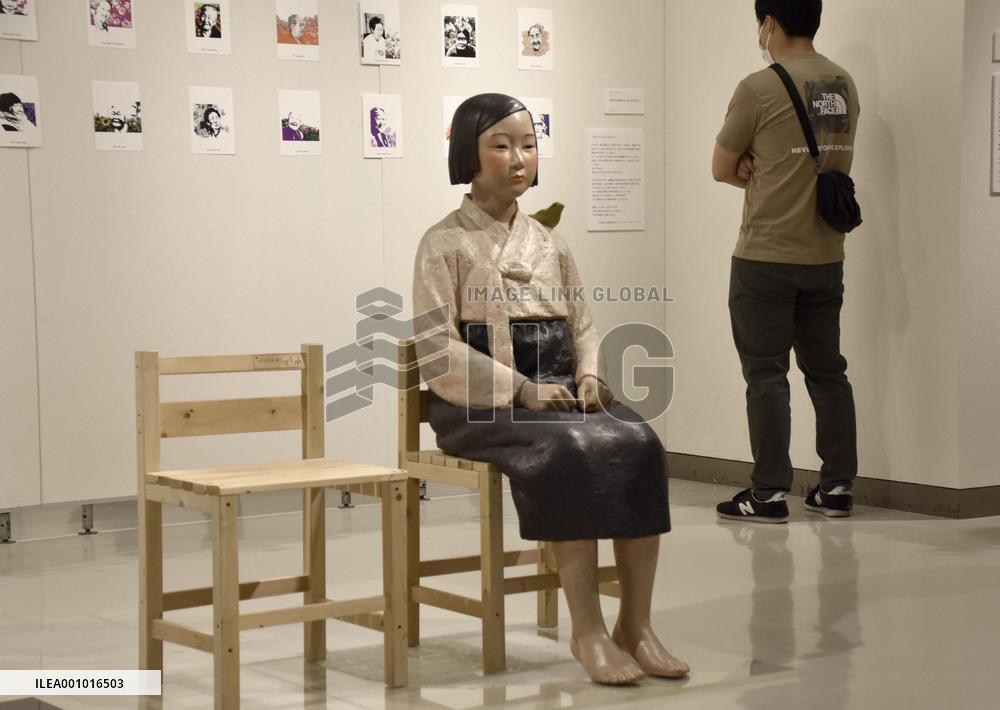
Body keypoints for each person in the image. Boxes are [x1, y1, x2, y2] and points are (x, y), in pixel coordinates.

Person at [413, 93, 689, 685]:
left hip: (558, 395)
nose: (519, 158)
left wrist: (588, 373)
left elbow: (583, 323)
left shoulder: (550, 242)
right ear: (468, 152)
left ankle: (634, 625)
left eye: (529, 145)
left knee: (640, 440)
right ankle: (585, 631)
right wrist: (520, 389)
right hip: (478, 406)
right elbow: (437, 348)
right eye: (501, 145)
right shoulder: (442, 242)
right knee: (569, 450)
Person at [712, 0, 860, 523]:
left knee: (766, 376)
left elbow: (721, 167)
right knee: (828, 372)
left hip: (765, 256)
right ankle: (837, 487)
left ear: (768, 23)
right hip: (826, 255)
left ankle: (769, 493)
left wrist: (754, 163)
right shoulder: (843, 82)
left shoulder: (758, 87)